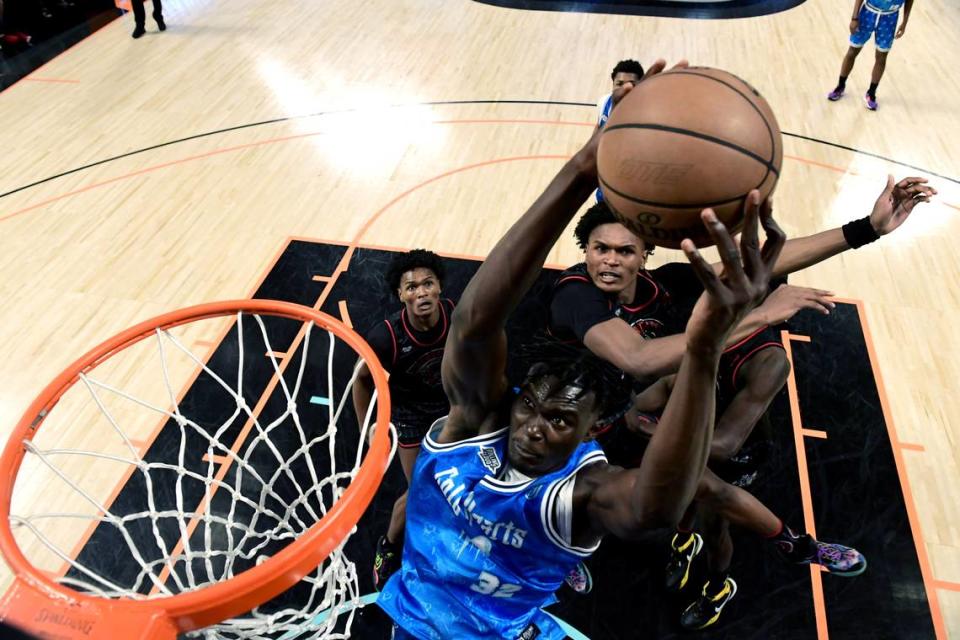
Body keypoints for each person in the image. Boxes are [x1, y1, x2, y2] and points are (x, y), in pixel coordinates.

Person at [377, 60, 785, 639]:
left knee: (708, 499)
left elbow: (655, 507)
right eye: (531, 408)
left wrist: (702, 351)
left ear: (591, 432)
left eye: (561, 419)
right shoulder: (475, 424)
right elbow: (472, 324)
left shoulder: (581, 493)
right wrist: (580, 168)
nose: (534, 428)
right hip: (412, 618)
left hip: (500, 631)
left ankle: (782, 548)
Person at [548, 168, 934, 626]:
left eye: (624, 250)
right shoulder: (575, 294)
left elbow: (761, 265)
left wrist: (865, 230)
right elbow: (637, 357)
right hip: (567, 413)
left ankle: (793, 546)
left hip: (623, 409)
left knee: (707, 491)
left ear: (644, 255)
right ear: (585, 252)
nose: (610, 261)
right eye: (600, 249)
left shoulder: (667, 286)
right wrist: (765, 312)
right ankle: (556, 555)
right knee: (559, 499)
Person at [352, 249, 455, 590]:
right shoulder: (386, 337)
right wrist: (372, 429)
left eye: (428, 283)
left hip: (450, 409)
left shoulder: (458, 316)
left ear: (440, 286)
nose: (421, 292)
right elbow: (363, 381)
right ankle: (389, 546)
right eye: (411, 287)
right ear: (400, 295)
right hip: (410, 416)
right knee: (420, 492)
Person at [826, 0, 914, 110]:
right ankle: (840, 86)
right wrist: (854, 18)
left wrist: (904, 22)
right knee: (852, 51)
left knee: (881, 57)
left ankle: (871, 93)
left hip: (890, 18)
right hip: (868, 14)